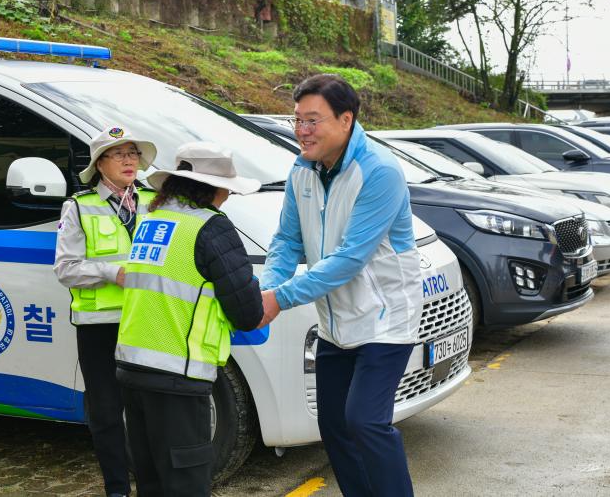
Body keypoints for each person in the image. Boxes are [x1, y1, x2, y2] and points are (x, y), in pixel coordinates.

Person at [260, 74, 423, 496]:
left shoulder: (379, 171)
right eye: (297, 120)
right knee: (333, 426)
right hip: (336, 323)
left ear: (346, 119)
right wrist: (266, 287)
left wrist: (279, 299)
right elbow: (286, 241)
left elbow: (351, 258)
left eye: (313, 121)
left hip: (385, 320)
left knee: (365, 421)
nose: (302, 131)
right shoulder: (302, 171)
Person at [115, 142, 264, 496]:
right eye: (226, 186)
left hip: (132, 370)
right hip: (178, 378)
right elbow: (247, 312)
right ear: (210, 187)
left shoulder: (152, 221)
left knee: (150, 481)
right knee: (186, 484)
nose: (228, 194)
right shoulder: (212, 228)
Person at [53, 125, 157, 497]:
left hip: (146, 320)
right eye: (119, 154)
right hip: (99, 326)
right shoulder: (78, 206)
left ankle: (150, 486)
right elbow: (65, 269)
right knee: (107, 413)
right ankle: (116, 489)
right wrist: (113, 273)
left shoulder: (155, 200)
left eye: (133, 153)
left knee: (147, 411)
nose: (130, 160)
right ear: (100, 164)